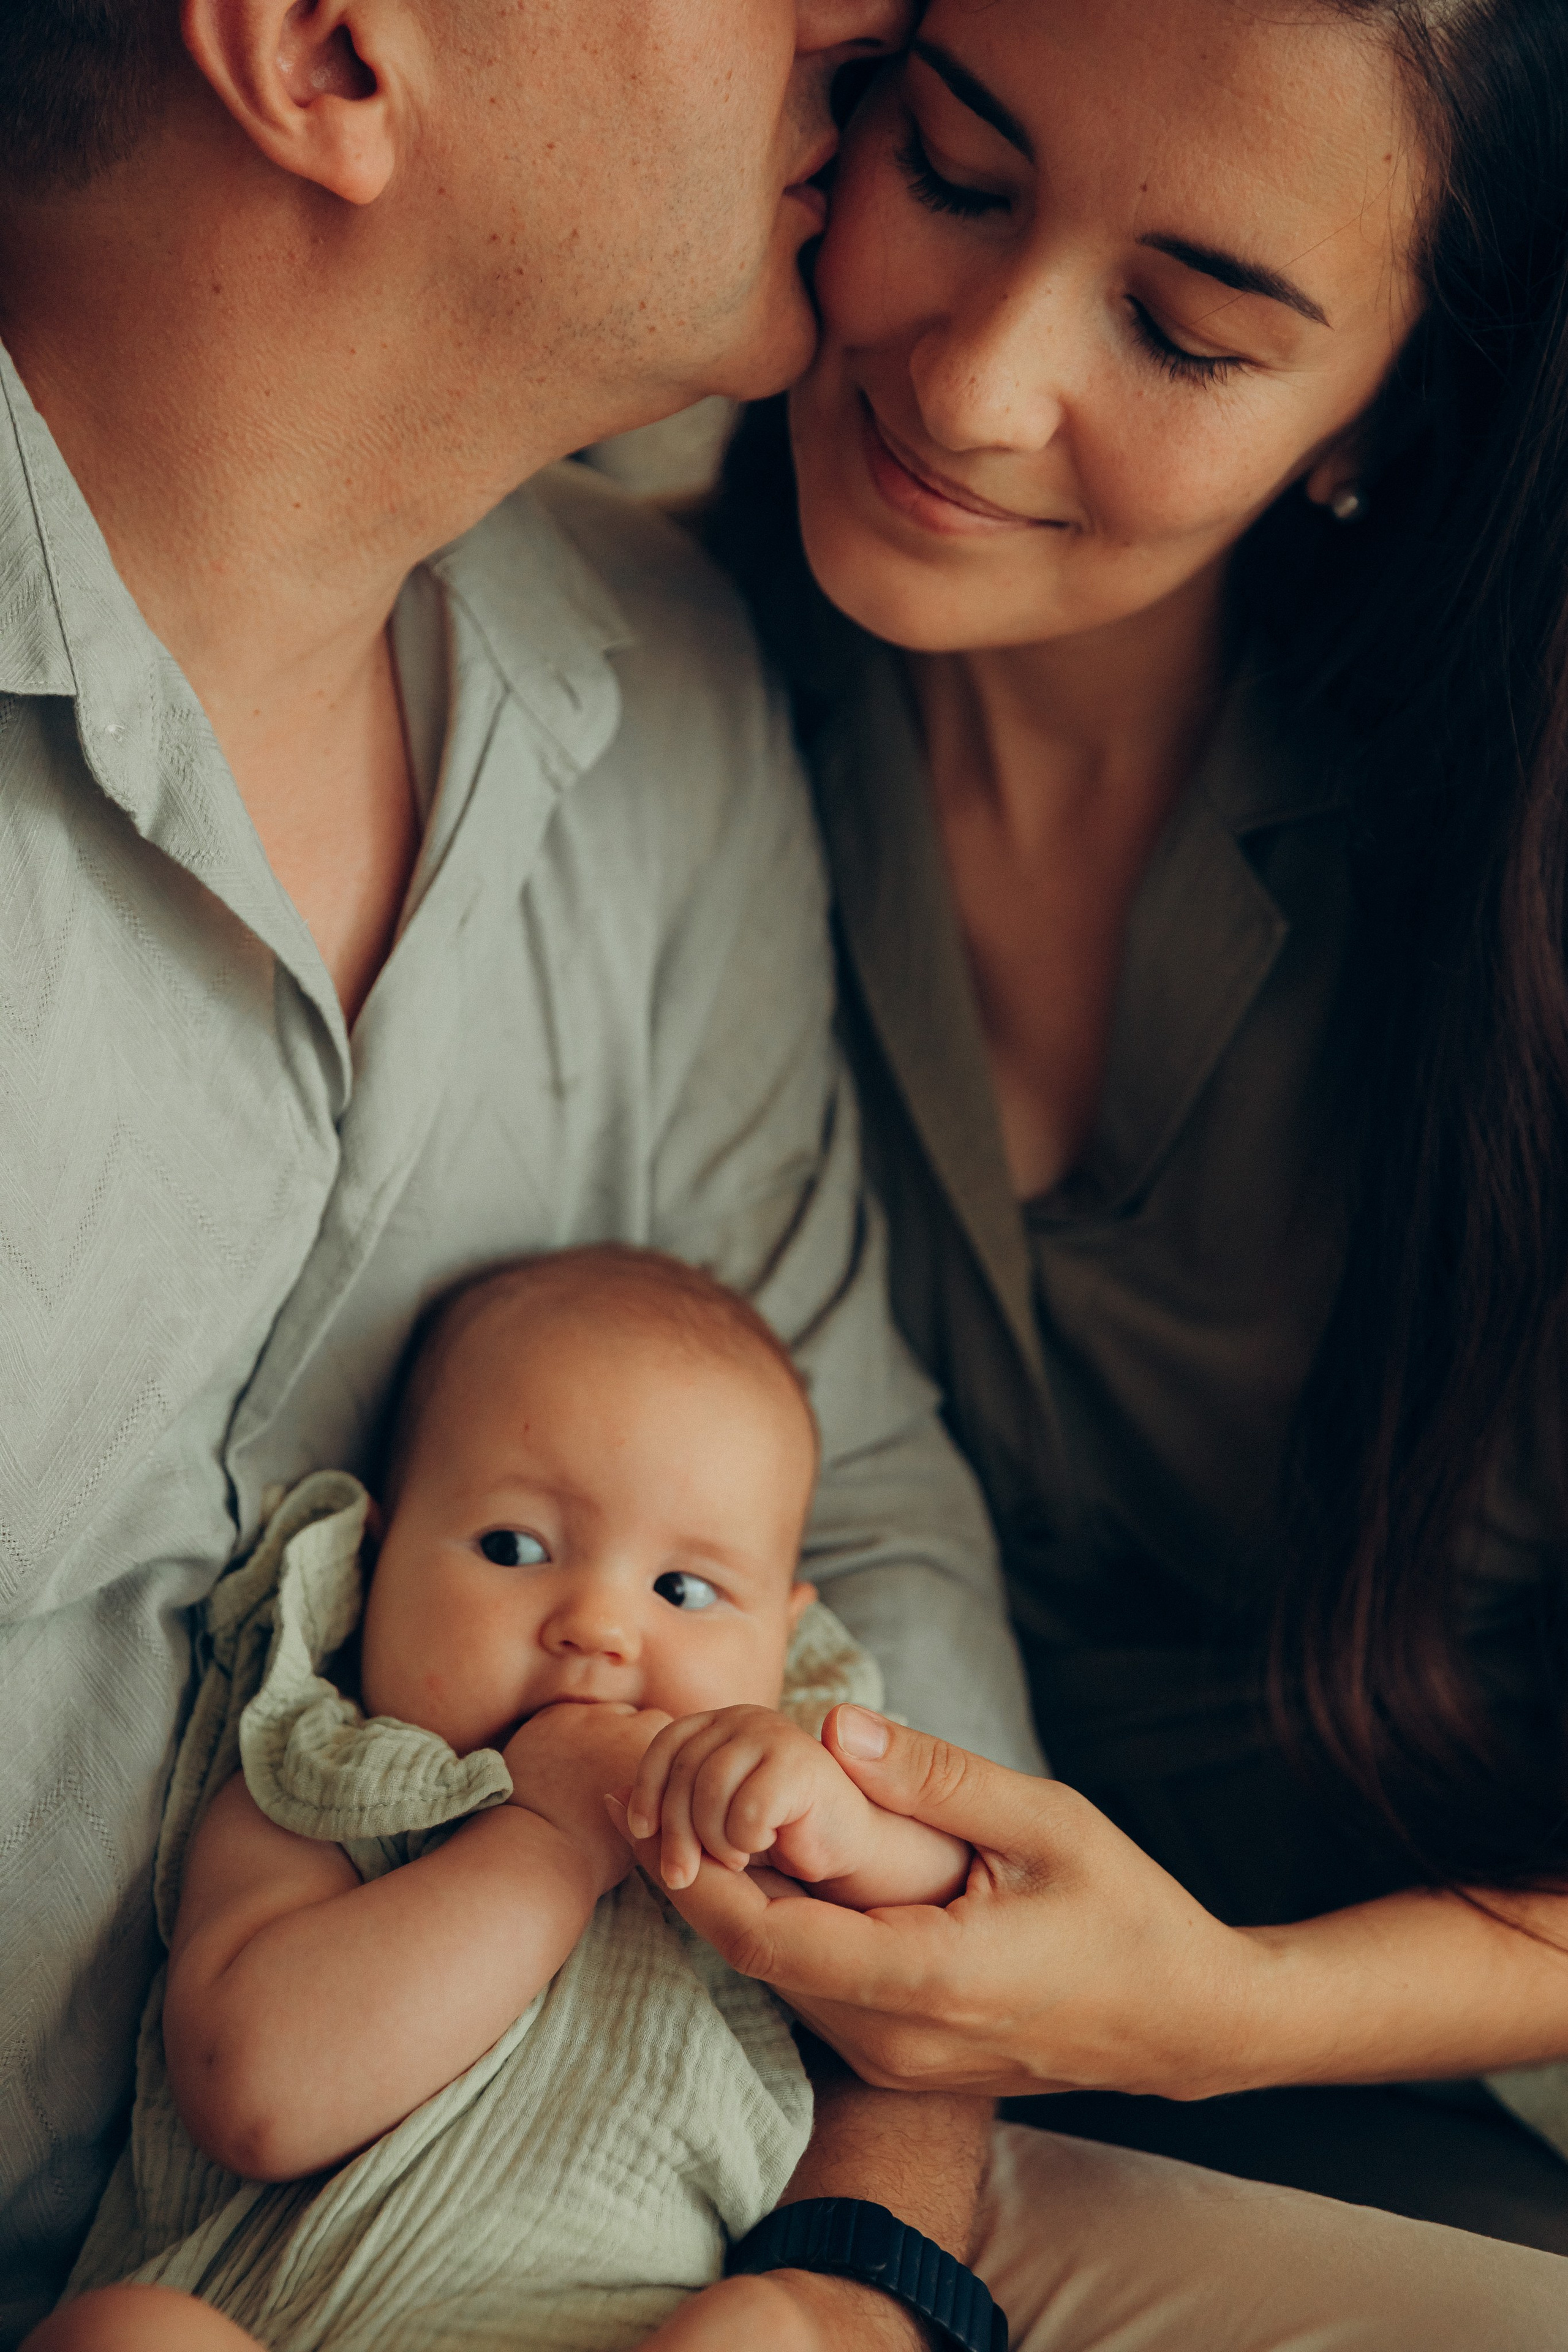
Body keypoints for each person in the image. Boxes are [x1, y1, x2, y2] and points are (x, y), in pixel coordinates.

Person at [0, 4, 1044, 2343]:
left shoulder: (664, 683)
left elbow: (855, 1515)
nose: (869, 23)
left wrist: (863, 2256)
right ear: (331, 47)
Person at [678, 0, 1568, 2334]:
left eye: (1182, 329)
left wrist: (1227, 2010)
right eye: (958, 176)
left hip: (1442, 2065)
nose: (972, 383)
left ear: (1380, 413)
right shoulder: (672, 701)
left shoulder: (1508, 884)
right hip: (840, 2058)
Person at [34, 1248, 972, 2351]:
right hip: (277, 2327)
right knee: (129, 2335)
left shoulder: (761, 1815)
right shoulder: (324, 1790)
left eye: (684, 1588)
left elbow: (950, 1954)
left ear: (787, 1638)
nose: (599, 1627)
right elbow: (253, 2097)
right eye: (513, 1547)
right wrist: (549, 1841)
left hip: (626, 2332)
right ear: (376, 1565)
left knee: (762, 2332)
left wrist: (848, 1831)